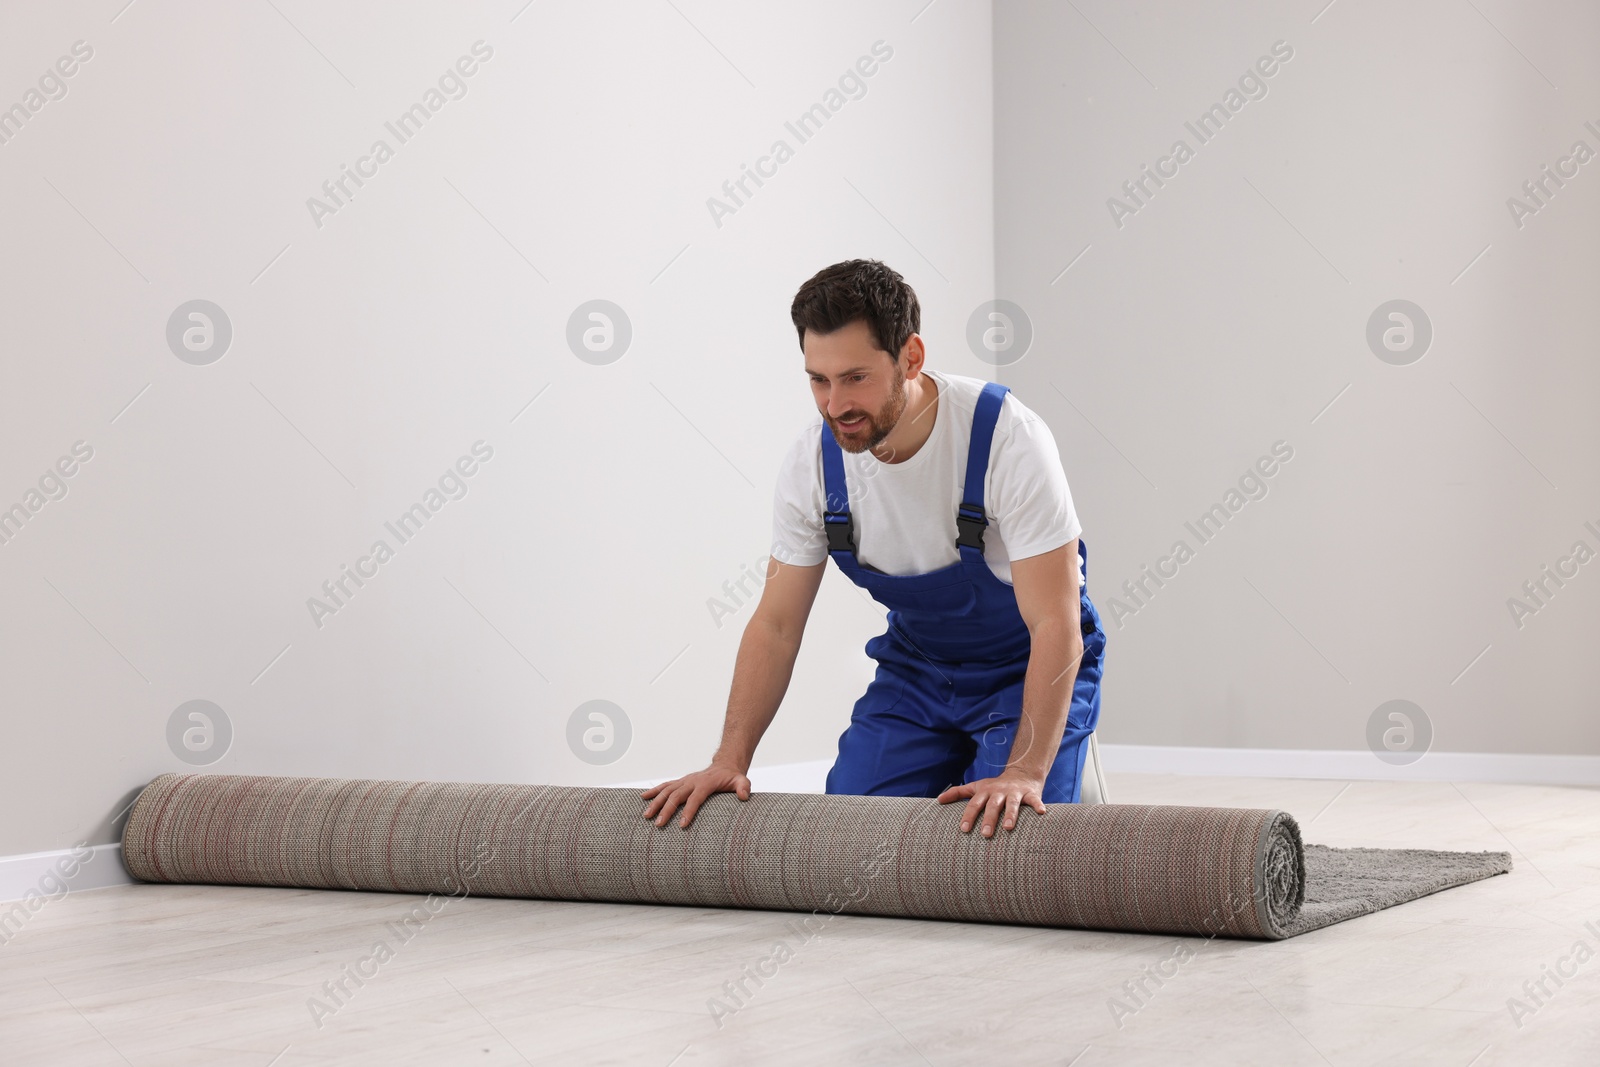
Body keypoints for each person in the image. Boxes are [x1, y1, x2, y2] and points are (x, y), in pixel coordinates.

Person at [642, 259, 1106, 838]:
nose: (835, 405)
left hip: (1025, 664)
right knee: (851, 835)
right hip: (918, 671)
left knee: (1013, 838)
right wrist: (728, 760)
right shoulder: (814, 464)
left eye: (855, 377)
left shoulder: (1006, 439)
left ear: (911, 357)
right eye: (819, 379)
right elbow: (777, 625)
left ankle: (1067, 766)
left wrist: (1024, 771)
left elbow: (1055, 624)